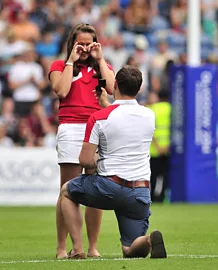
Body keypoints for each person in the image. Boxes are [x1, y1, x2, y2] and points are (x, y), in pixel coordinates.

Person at [59, 66, 167, 259]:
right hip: (140, 191)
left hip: (110, 187)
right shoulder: (149, 115)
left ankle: (77, 248)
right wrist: (107, 105)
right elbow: (124, 121)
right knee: (130, 249)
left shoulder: (99, 117)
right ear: (139, 88)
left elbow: (84, 160)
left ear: (115, 84)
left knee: (67, 192)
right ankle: (148, 240)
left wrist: (96, 162)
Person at [48, 23, 115, 259]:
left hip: (97, 127)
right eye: (81, 44)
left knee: (96, 190)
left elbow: (113, 88)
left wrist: (100, 58)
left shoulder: (102, 67)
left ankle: (92, 247)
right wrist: (70, 60)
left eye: (89, 44)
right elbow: (61, 91)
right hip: (71, 128)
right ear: (72, 44)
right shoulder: (60, 66)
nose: (85, 48)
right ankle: (62, 247)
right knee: (67, 190)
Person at [148, 90, 171, 203]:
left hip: (154, 149)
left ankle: (151, 197)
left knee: (153, 176)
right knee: (166, 175)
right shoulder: (172, 109)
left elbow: (150, 130)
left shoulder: (152, 110)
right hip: (169, 149)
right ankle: (162, 197)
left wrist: (157, 146)